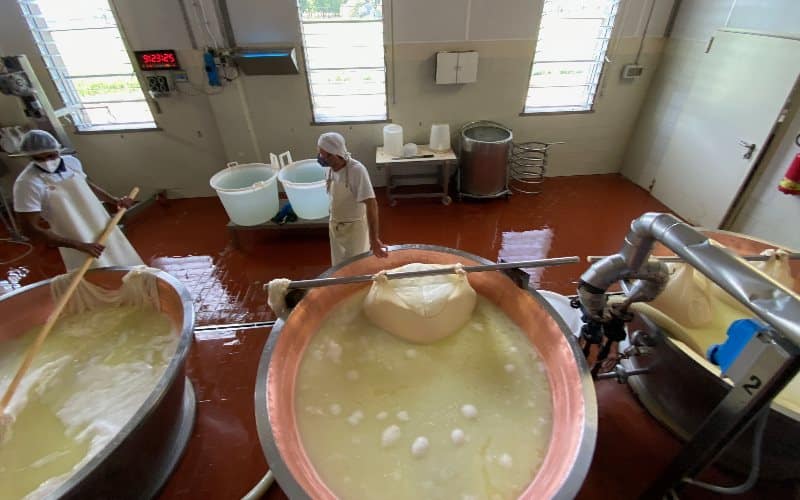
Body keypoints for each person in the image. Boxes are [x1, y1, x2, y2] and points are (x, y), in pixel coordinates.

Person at [11, 130, 143, 271]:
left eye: (51, 156)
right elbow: (29, 229)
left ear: (58, 150)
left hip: (100, 224)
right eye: (39, 159)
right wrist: (79, 245)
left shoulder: (71, 162)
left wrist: (114, 200)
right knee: (95, 274)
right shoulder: (27, 183)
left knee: (122, 259)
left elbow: (86, 185)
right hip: (74, 236)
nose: (47, 162)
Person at [317, 132, 388, 265]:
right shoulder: (328, 168)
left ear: (338, 154)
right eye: (320, 153)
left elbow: (371, 204)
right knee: (339, 266)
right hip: (335, 227)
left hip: (354, 231)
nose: (322, 158)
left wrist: (374, 239)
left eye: (327, 155)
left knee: (357, 266)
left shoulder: (357, 171)